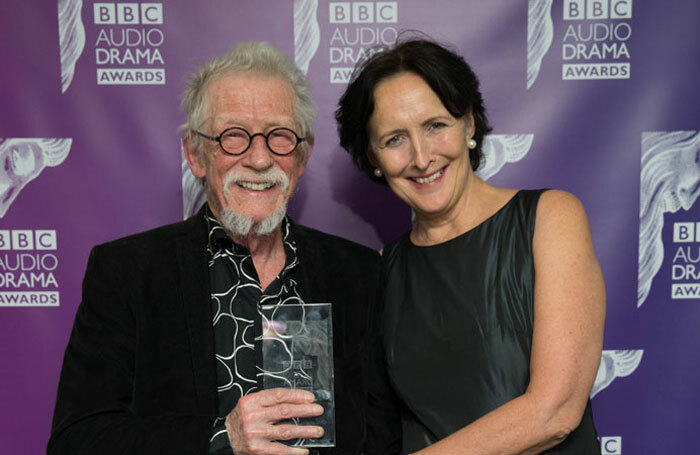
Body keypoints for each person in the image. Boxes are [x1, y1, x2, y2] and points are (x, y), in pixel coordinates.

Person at [48, 42, 400, 455]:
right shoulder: (128, 272)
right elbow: (77, 442)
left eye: (279, 136)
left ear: (302, 158)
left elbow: (383, 440)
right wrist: (223, 437)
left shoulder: (357, 273)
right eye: (233, 136)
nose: (258, 158)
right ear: (195, 155)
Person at [336, 39, 605, 454]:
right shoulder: (377, 273)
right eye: (394, 139)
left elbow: (555, 412)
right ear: (373, 156)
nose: (422, 157)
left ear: (468, 124)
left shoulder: (549, 218)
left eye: (435, 125)